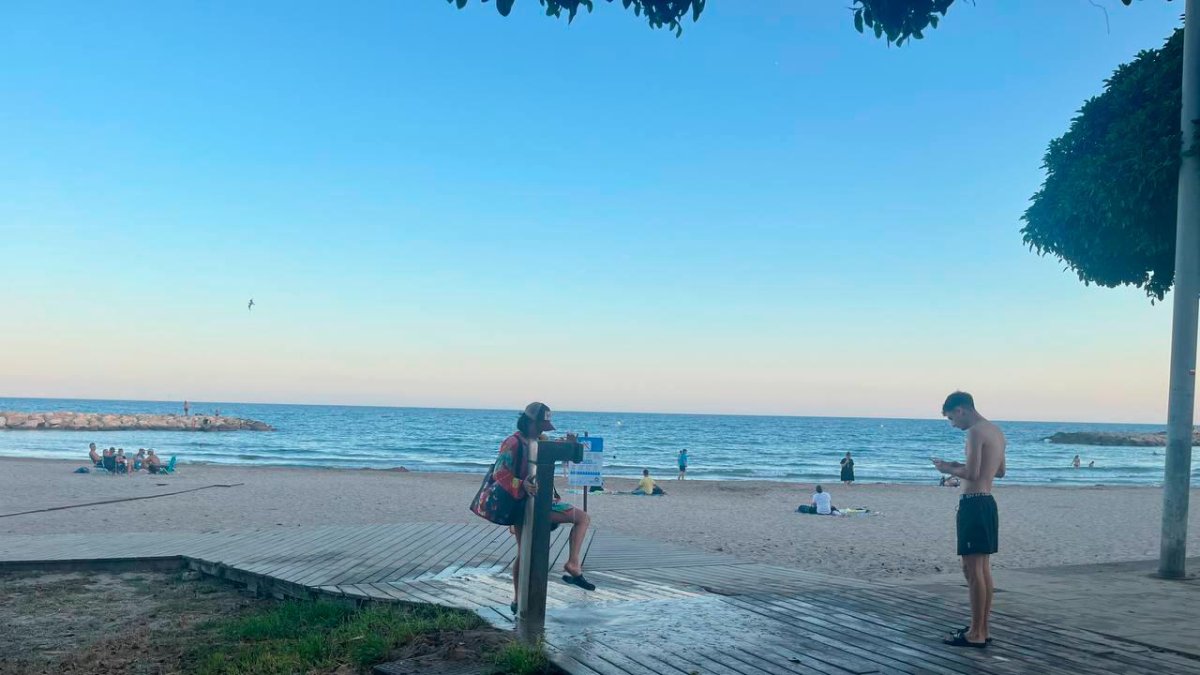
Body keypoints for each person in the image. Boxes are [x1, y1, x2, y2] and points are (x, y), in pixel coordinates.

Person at [471, 402, 594, 615]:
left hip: (544, 500)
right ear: (529, 422)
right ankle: (519, 597)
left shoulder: (540, 440)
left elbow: (563, 455)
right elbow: (500, 472)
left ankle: (572, 564)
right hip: (522, 504)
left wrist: (572, 447)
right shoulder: (512, 442)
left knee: (581, 518)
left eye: (545, 427)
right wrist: (522, 484)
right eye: (540, 426)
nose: (542, 431)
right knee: (525, 550)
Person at [932, 391, 1006, 649]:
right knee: (982, 569)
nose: (953, 424)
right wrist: (957, 464)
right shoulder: (996, 431)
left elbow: (972, 473)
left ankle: (975, 633)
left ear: (962, 409)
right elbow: (1000, 470)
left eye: (952, 418)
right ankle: (981, 628)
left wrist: (947, 468)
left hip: (973, 503)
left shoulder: (974, 432)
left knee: (972, 571)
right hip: (987, 502)